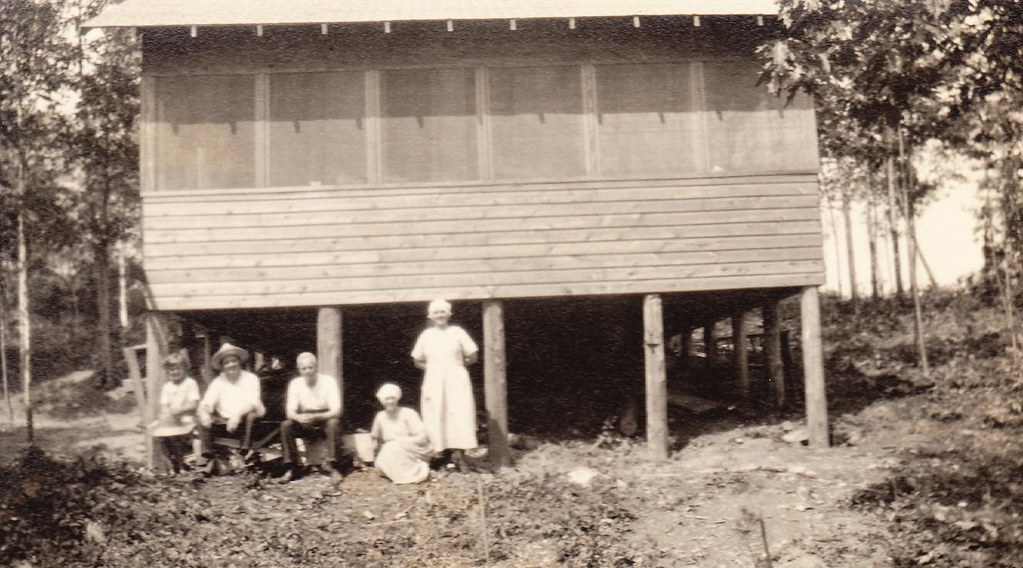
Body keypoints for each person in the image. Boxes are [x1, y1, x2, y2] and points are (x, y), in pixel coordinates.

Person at [411, 299, 479, 472]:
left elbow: (472, 356)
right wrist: (435, 370)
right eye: (436, 312)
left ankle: (461, 455)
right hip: (434, 379)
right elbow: (417, 360)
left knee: (459, 413)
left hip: (456, 377)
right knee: (436, 414)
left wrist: (455, 367)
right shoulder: (426, 335)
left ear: (449, 314)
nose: (439, 315)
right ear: (430, 316)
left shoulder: (457, 332)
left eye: (442, 312)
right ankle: (443, 457)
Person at [197, 343, 265, 470]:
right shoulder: (218, 382)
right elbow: (207, 402)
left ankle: (246, 452)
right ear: (222, 367)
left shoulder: (251, 378)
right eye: (226, 362)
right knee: (201, 418)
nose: (231, 365)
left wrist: (237, 415)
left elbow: (253, 403)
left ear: (239, 362)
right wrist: (205, 413)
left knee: (251, 416)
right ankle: (210, 456)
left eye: (234, 360)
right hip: (226, 423)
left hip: (247, 423)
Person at [279, 352, 343, 483]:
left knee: (334, 423)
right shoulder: (295, 384)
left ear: (316, 367)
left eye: (310, 367)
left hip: (324, 417)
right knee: (286, 425)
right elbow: (289, 412)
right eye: (304, 368)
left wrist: (318, 416)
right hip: (305, 418)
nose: (308, 371)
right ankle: (292, 467)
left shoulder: (328, 381)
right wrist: (298, 417)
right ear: (299, 370)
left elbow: (336, 410)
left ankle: (334, 467)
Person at [370, 383, 432, 484]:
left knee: (392, 447)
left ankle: (411, 473)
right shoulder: (380, 416)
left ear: (398, 398)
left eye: (393, 398)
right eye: (387, 399)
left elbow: (422, 437)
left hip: (412, 448)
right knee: (381, 463)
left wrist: (401, 442)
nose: (390, 401)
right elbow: (375, 438)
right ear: (382, 401)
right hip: (391, 450)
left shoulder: (408, 413)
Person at [150, 352, 201, 474]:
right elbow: (164, 406)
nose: (175, 372)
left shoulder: (190, 383)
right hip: (172, 419)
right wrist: (166, 415)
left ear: (184, 368)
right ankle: (168, 465)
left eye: (178, 368)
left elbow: (194, 404)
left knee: (175, 434)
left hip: (188, 416)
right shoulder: (167, 387)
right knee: (157, 433)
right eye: (171, 369)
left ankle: (181, 464)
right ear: (167, 372)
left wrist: (180, 410)